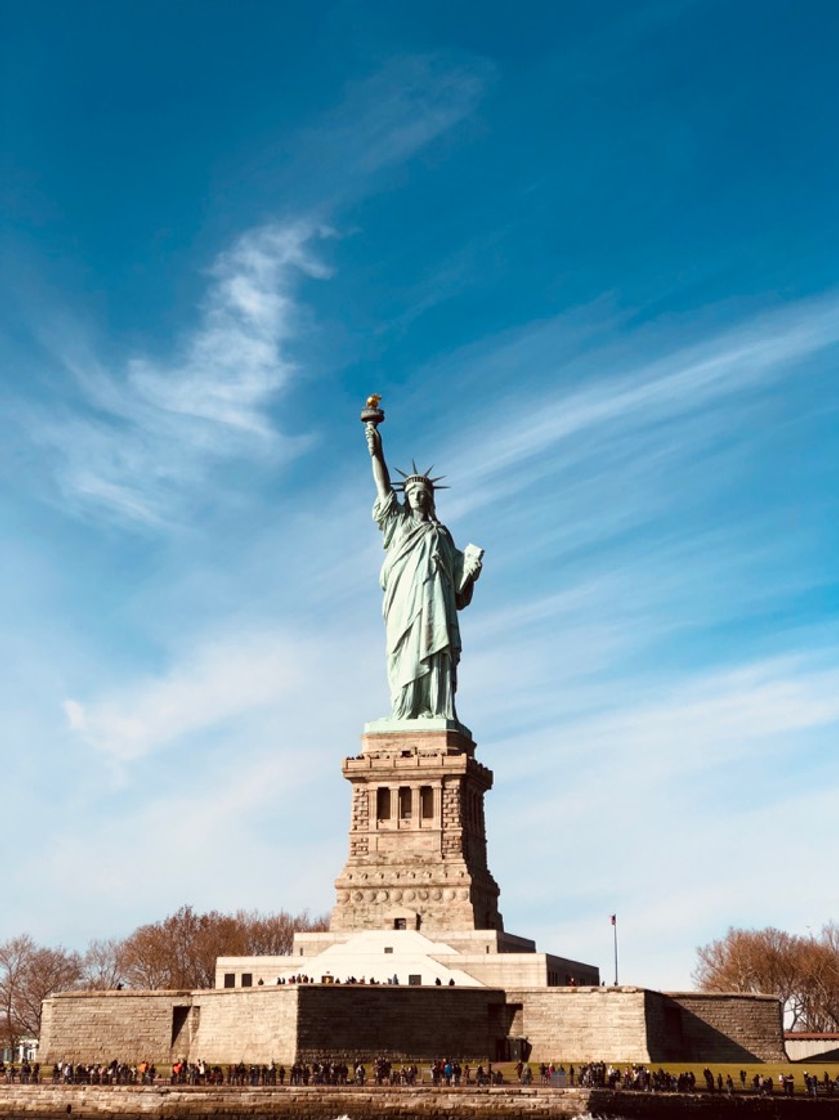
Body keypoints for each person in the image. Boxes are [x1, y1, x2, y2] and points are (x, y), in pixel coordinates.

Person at [365, 422, 482, 722]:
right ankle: (405, 710)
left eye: (422, 492)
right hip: (404, 602)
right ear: (405, 497)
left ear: (431, 498)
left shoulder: (442, 533)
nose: (417, 496)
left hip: (435, 604)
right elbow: (382, 484)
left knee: (435, 648)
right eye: (412, 492)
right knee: (405, 653)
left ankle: (435, 707)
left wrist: (470, 570)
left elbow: (458, 589)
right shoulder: (398, 523)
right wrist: (376, 450)